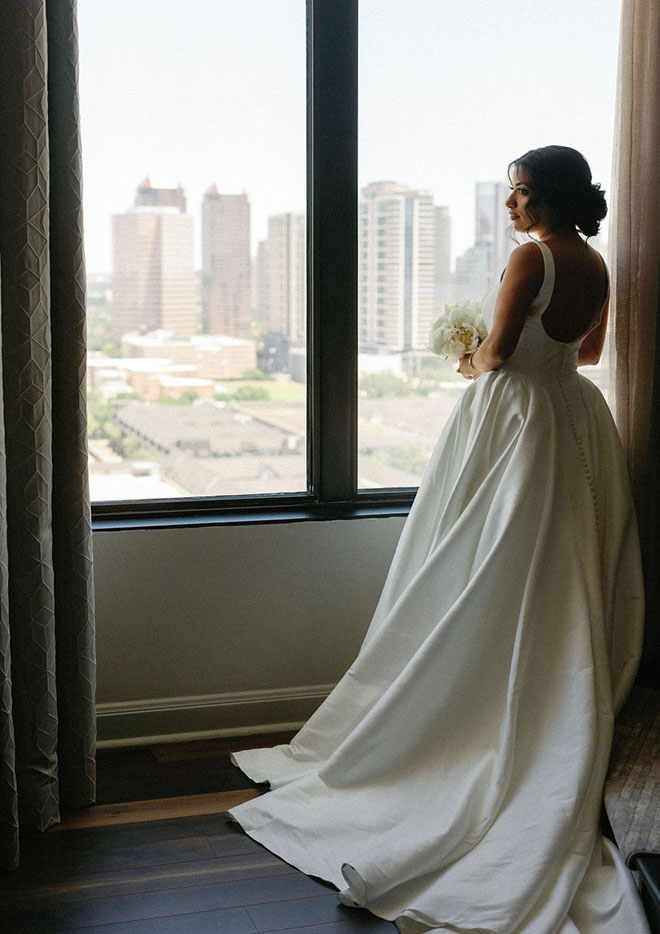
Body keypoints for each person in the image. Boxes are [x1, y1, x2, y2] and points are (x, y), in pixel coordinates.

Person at [228, 146, 650, 934]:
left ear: (547, 198)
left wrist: (468, 358)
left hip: (514, 418)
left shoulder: (530, 258)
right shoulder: (595, 263)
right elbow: (587, 355)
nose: (510, 206)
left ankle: (465, 704)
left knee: (475, 560)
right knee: (553, 565)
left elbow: (494, 355)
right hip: (572, 420)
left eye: (519, 192)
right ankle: (538, 680)